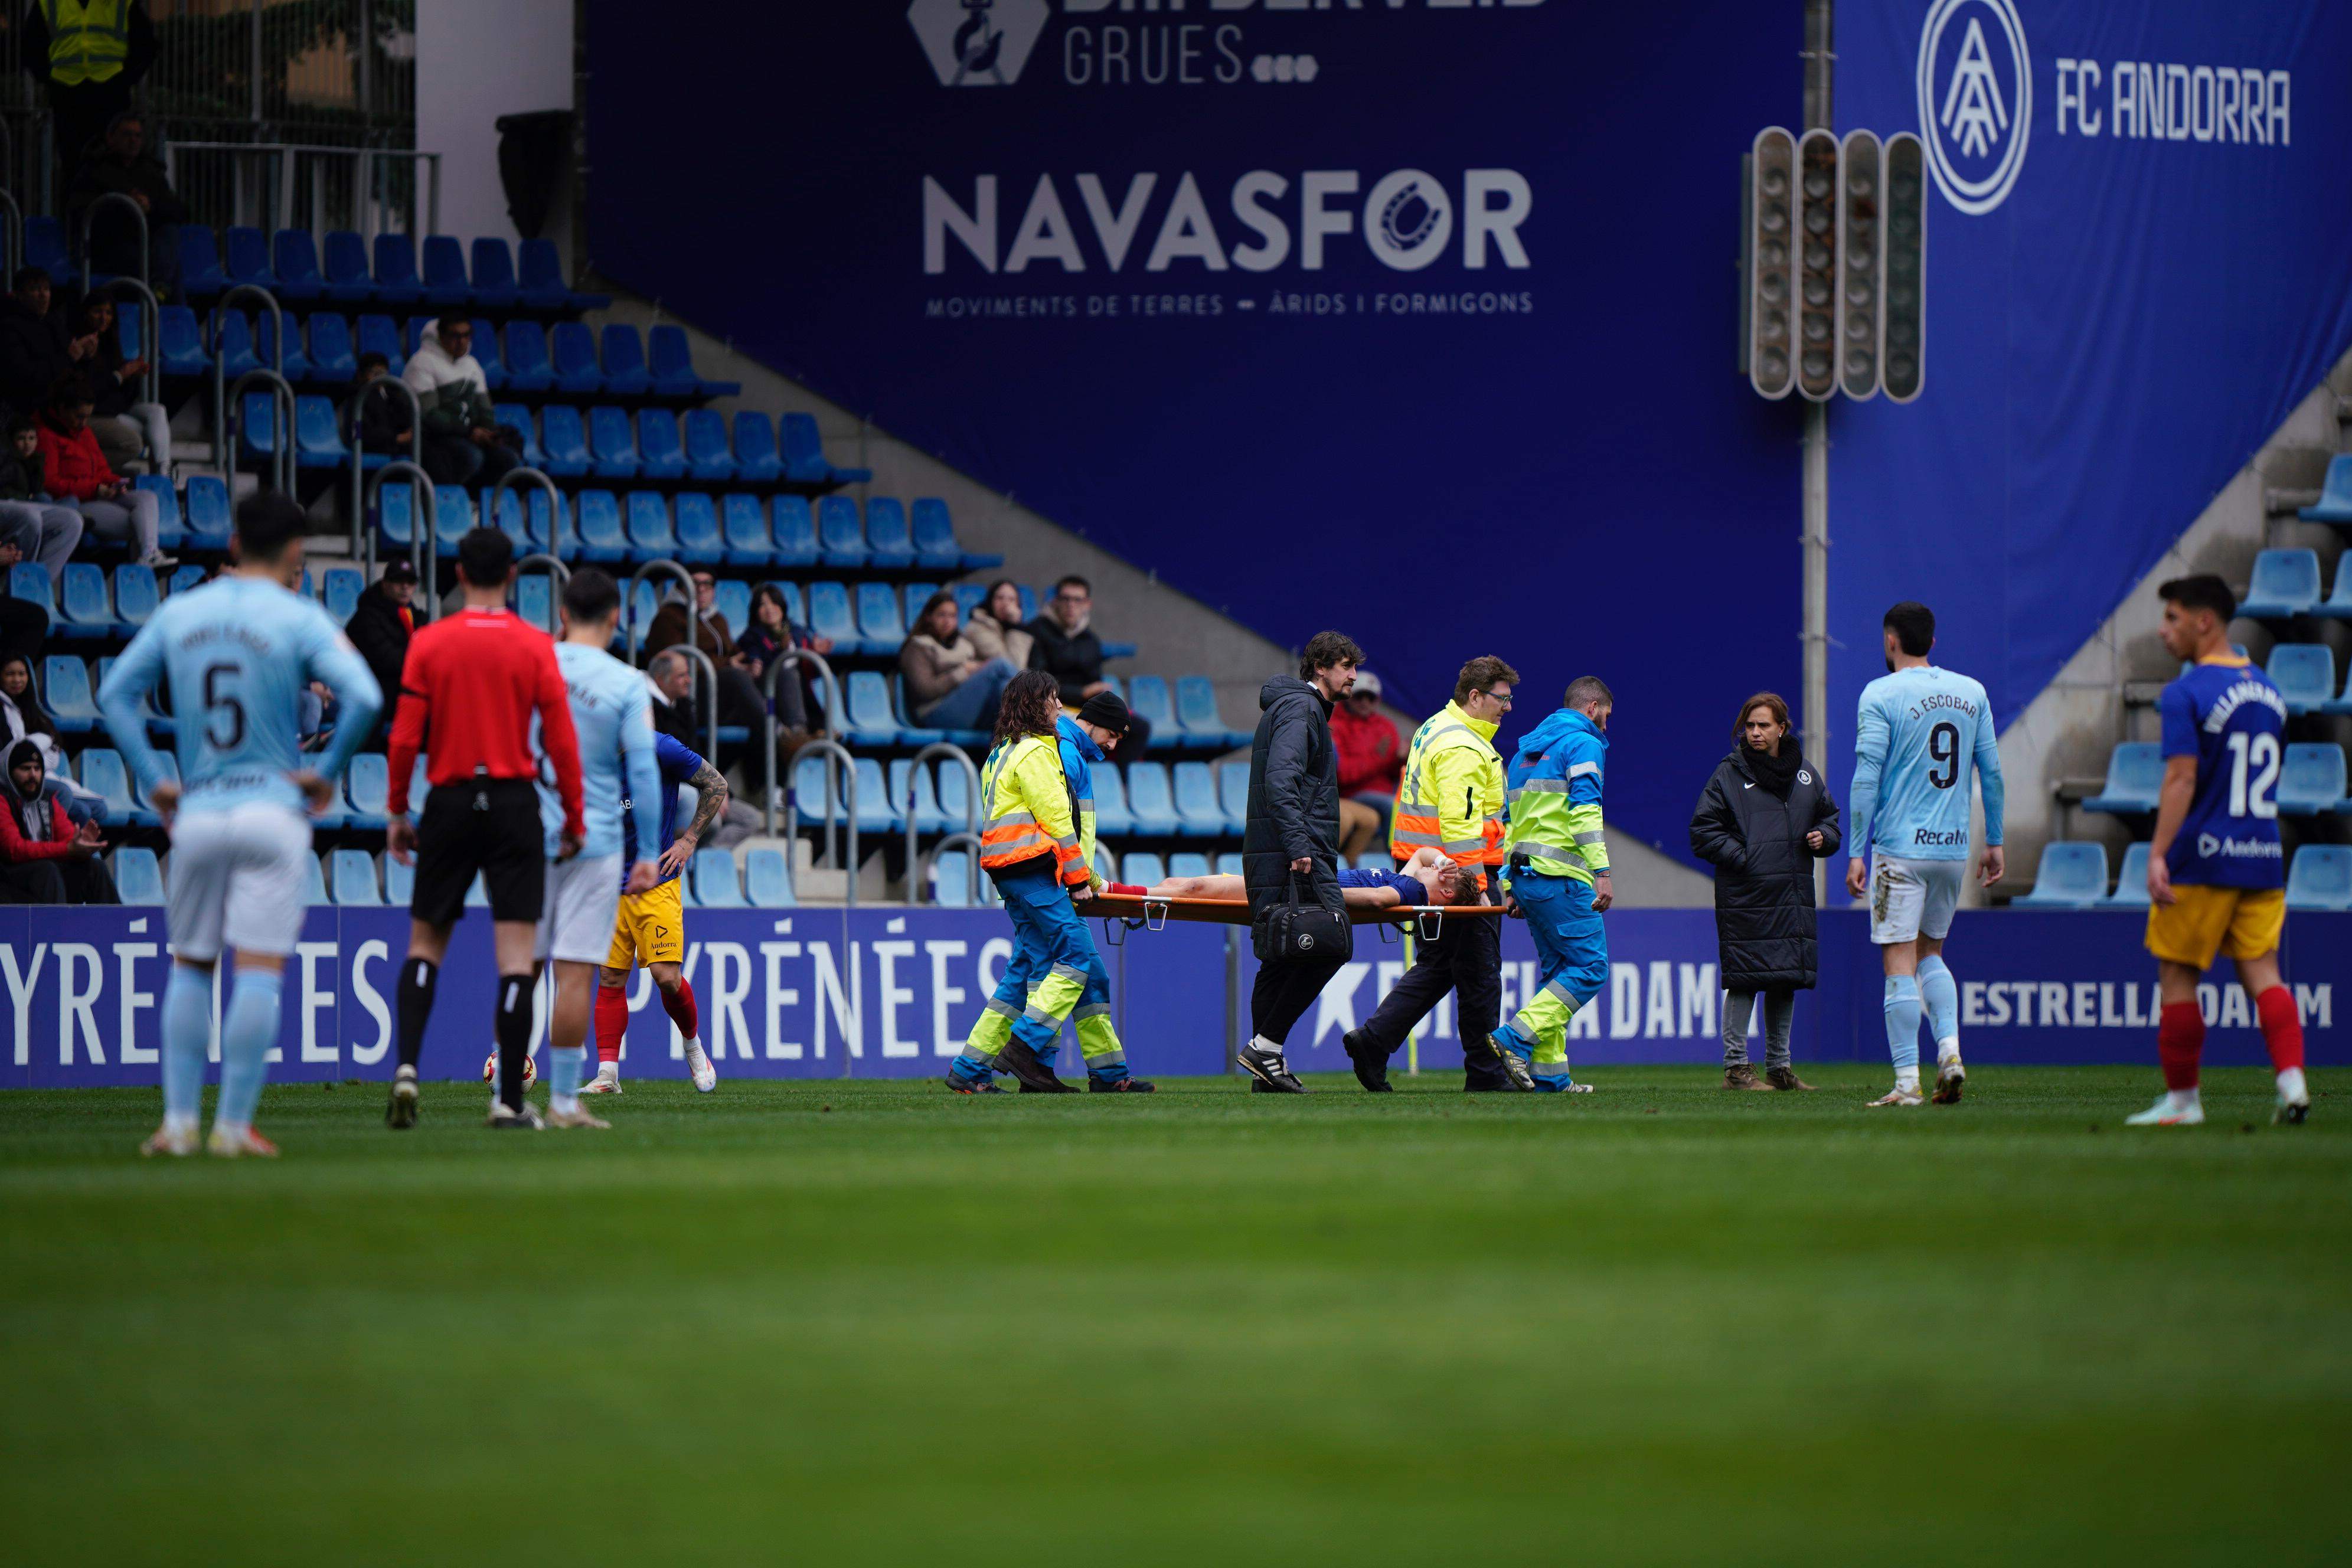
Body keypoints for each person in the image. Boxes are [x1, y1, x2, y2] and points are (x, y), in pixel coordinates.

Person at [96, 491, 381, 1156]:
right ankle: (231, 1127)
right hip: (272, 811)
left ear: (232, 543)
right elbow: (366, 696)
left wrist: (155, 779)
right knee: (258, 970)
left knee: (192, 965)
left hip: (199, 809)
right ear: (295, 552)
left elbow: (114, 695)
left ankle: (176, 1124)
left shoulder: (182, 611)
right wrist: (327, 770)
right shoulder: (299, 616)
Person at [383, 527, 584, 1131]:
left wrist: (398, 810)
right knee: (517, 958)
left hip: (448, 799)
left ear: (460, 575)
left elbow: (404, 737)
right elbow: (560, 741)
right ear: (513, 576)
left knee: (425, 945)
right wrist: (575, 817)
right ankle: (509, 1101)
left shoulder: (430, 642)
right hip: (513, 802)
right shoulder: (535, 645)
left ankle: (407, 1070)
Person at [2129, 574, 2309, 1127]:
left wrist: (2158, 853)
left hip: (2203, 857)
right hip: (2262, 856)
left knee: (2178, 976)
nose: (2164, 631)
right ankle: (2293, 1084)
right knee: (2264, 974)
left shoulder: (2185, 693)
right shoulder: (2271, 691)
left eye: (2173, 618)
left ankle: (2184, 1101)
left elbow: (2182, 778)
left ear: (2204, 621)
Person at [1846, 600, 2005, 1110]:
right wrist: (1994, 841)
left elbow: (1866, 776)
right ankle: (1951, 1052)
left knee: (1899, 962)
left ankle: (1908, 1083)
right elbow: (1991, 773)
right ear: (1932, 642)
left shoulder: (1880, 693)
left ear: (1890, 641)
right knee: (1931, 954)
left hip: (1900, 849)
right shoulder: (1972, 692)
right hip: (1952, 850)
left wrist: (1855, 850)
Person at [952, 689, 1151, 1093]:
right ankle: (1027, 1052)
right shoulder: (1058, 753)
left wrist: (1088, 879)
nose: (1113, 745)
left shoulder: (1024, 749)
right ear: (1092, 723)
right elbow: (1059, 824)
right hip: (1045, 876)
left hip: (1030, 873)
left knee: (1034, 973)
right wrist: (1081, 880)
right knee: (1077, 963)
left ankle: (975, 1068)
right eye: (1111, 735)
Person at [1341, 655, 1518, 1093]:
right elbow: (1460, 826)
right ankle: (1485, 1074)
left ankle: (1374, 1041)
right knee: (1480, 973)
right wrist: (1477, 887)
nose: (1508, 706)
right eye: (1502, 698)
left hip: (1428, 871)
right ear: (1475, 696)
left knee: (1440, 965)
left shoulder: (1436, 727)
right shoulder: (1464, 746)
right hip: (1456, 875)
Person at [527, 567, 664, 1130]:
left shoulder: (531, 664)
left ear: (562, 614)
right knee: (575, 975)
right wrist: (648, 851)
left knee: (521, 969)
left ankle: (506, 1095)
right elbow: (644, 772)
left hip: (528, 835)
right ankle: (563, 1101)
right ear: (615, 619)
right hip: (598, 841)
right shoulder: (627, 682)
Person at [1688, 691, 1841, 1092]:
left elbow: (1830, 819)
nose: (1755, 733)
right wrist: (1746, 858)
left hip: (1790, 895)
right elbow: (1702, 831)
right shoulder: (1728, 774)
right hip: (1746, 896)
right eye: (1750, 726)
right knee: (1745, 979)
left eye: (1764, 726)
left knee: (1784, 978)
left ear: (1782, 729)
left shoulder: (1804, 774)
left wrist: (1823, 837)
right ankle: (1736, 1068)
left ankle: (1779, 1067)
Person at [1237, 630, 1361, 1094]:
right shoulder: (1302, 709)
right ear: (1320, 668)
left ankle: (1266, 1069)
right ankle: (1266, 1047)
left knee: (1279, 957)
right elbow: (1280, 780)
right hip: (1293, 854)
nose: (1354, 676)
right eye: (1346, 666)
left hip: (1274, 851)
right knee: (1333, 943)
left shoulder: (1294, 708)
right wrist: (1299, 847)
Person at [1483, 677, 1617, 1095]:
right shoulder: (1584, 744)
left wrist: (1509, 883)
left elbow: (1509, 821)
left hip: (1527, 878)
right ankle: (1514, 1037)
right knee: (1591, 969)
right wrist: (1603, 871)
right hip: (1562, 879)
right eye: (1606, 716)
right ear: (1592, 708)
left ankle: (1550, 1076)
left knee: (1559, 973)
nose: (1606, 725)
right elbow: (1585, 812)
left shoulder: (1525, 752)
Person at [587, 724, 729, 1096]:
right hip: (608, 885)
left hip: (656, 881)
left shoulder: (661, 748)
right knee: (610, 977)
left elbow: (716, 784)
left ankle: (693, 1047)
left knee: (666, 977)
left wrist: (689, 840)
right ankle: (607, 1075)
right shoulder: (589, 752)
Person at [38, 374, 166, 566]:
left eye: (87, 417)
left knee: (147, 498)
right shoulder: (46, 436)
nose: (84, 423)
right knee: (139, 525)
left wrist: (114, 483)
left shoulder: (85, 433)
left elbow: (102, 469)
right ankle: (145, 562)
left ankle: (149, 555)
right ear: (63, 409)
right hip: (76, 502)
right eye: (79, 417)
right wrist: (95, 489)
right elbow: (50, 483)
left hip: (100, 495)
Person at [20, 1, 158, 176]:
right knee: (75, 162)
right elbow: (30, 46)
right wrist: (50, 79)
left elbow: (146, 45)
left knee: (112, 160)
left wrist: (124, 80)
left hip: (107, 94)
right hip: (72, 94)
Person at [1027, 574, 1150, 757]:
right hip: (1050, 704)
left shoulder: (1090, 640)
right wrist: (1081, 692)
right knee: (1085, 730)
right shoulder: (1037, 631)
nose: (1071, 605)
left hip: (1084, 708)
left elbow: (1095, 684)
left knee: (1137, 727)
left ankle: (1114, 775)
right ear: (1056, 601)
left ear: (1087, 604)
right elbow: (1037, 682)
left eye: (1078, 600)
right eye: (1066, 599)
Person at [67, 110, 185, 298]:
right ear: (110, 137)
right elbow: (80, 212)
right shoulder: (94, 170)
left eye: (138, 136)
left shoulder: (151, 171)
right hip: (107, 247)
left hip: (144, 245)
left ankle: (161, 297)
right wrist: (125, 206)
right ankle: (158, 299)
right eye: (127, 135)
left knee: (169, 235)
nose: (133, 141)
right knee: (167, 269)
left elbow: (178, 210)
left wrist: (150, 206)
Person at [1149, 845, 1481, 910]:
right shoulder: (1408, 881)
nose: (1435, 869)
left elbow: (1377, 899)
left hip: (1292, 890)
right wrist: (1443, 860)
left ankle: (1124, 892)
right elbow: (1422, 853)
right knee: (1180, 885)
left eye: (1441, 874)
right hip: (1291, 885)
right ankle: (1127, 891)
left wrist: (1316, 893)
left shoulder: (1411, 892)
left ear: (1446, 894)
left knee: (1194, 888)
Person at [401, 311, 516, 488]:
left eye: (466, 335)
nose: (462, 341)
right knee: (471, 457)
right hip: (433, 437)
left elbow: (485, 409)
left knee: (508, 459)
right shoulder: (422, 363)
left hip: (467, 435)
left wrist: (485, 432)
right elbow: (430, 416)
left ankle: (480, 502)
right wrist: (470, 432)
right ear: (441, 336)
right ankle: (450, 499)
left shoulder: (472, 365)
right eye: (455, 336)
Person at [0, 735, 115, 903]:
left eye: (37, 769)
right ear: (10, 772)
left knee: (95, 868)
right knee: (47, 871)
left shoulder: (47, 800)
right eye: (25, 769)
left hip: (43, 878)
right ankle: (57, 921)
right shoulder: (3, 799)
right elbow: (15, 850)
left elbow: (67, 838)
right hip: (9, 880)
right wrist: (67, 849)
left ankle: (118, 920)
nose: (33, 775)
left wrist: (80, 846)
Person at [76, 292, 168, 476]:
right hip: (95, 414)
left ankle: (163, 473)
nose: (104, 318)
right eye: (98, 312)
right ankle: (160, 474)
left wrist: (132, 377)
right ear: (86, 313)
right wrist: (120, 375)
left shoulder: (111, 342)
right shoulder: (80, 343)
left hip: (115, 411)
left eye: (109, 313)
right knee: (147, 434)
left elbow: (122, 396)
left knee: (157, 412)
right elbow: (90, 392)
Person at [902, 588, 1019, 731]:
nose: (947, 621)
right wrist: (963, 672)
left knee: (1003, 687)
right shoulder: (918, 647)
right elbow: (925, 691)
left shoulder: (963, 645)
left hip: (970, 710)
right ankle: (1037, 702)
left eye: (952, 616)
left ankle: (1017, 739)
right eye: (941, 615)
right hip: (935, 713)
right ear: (928, 617)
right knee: (999, 665)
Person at [0, 414, 83, 590]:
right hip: (11, 504)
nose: (27, 443)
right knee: (31, 514)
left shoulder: (34, 460)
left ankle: (37, 588)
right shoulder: (8, 460)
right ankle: (17, 587)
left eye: (32, 438)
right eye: (22, 439)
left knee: (72, 519)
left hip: (21, 505)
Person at [0, 267, 93, 420]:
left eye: (47, 289)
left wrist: (86, 355)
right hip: (28, 413)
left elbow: (72, 363)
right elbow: (25, 377)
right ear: (19, 295)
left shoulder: (53, 321)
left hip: (63, 408)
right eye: (35, 289)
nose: (43, 295)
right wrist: (69, 358)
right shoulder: (9, 328)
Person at [1331, 668, 1404, 857]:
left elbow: (1393, 773)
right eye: (1360, 696)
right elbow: (1341, 775)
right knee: (1391, 806)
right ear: (1349, 696)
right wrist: (1377, 758)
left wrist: (1402, 759)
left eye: (1370, 698)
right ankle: (1399, 860)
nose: (1365, 702)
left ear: (1378, 700)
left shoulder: (1386, 726)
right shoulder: (1336, 725)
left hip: (1385, 792)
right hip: (1351, 794)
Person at [344, 558, 417, 740]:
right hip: (373, 693)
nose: (405, 587)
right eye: (398, 581)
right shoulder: (367, 617)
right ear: (385, 584)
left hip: (400, 691)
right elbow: (388, 661)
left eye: (410, 582)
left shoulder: (414, 616)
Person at [734, 582, 819, 737]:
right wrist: (780, 649)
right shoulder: (751, 636)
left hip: (799, 695)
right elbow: (758, 662)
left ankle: (817, 728)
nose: (769, 609)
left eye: (774, 603)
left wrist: (819, 654)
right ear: (755, 611)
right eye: (763, 605)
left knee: (799, 677)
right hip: (768, 699)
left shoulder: (798, 632)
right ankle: (797, 731)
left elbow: (812, 671)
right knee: (788, 673)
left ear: (782, 606)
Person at [353, 352, 413, 459]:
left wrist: (409, 430)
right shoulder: (358, 398)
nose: (379, 377)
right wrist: (396, 438)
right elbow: (364, 434)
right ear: (361, 375)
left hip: (394, 446)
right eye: (374, 373)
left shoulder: (393, 395)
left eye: (382, 372)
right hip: (375, 448)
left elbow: (404, 418)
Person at [964, 579, 1033, 669]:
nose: (1006, 604)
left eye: (1012, 599)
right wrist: (1015, 627)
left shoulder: (1015, 628)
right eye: (1000, 598)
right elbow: (1012, 667)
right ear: (990, 602)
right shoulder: (977, 628)